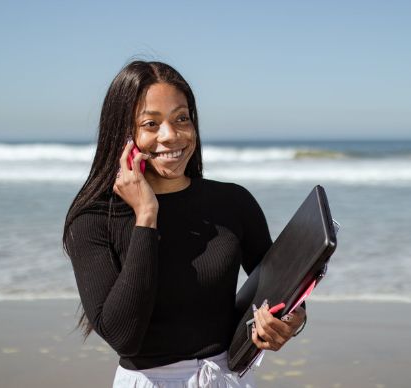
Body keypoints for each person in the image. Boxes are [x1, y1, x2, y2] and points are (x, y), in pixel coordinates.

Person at [61, 61, 306, 388]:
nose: (171, 136)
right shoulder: (92, 220)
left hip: (225, 378)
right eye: (151, 123)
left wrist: (292, 320)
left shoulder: (233, 202)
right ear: (124, 134)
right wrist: (146, 216)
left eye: (181, 119)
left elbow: (283, 287)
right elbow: (124, 337)